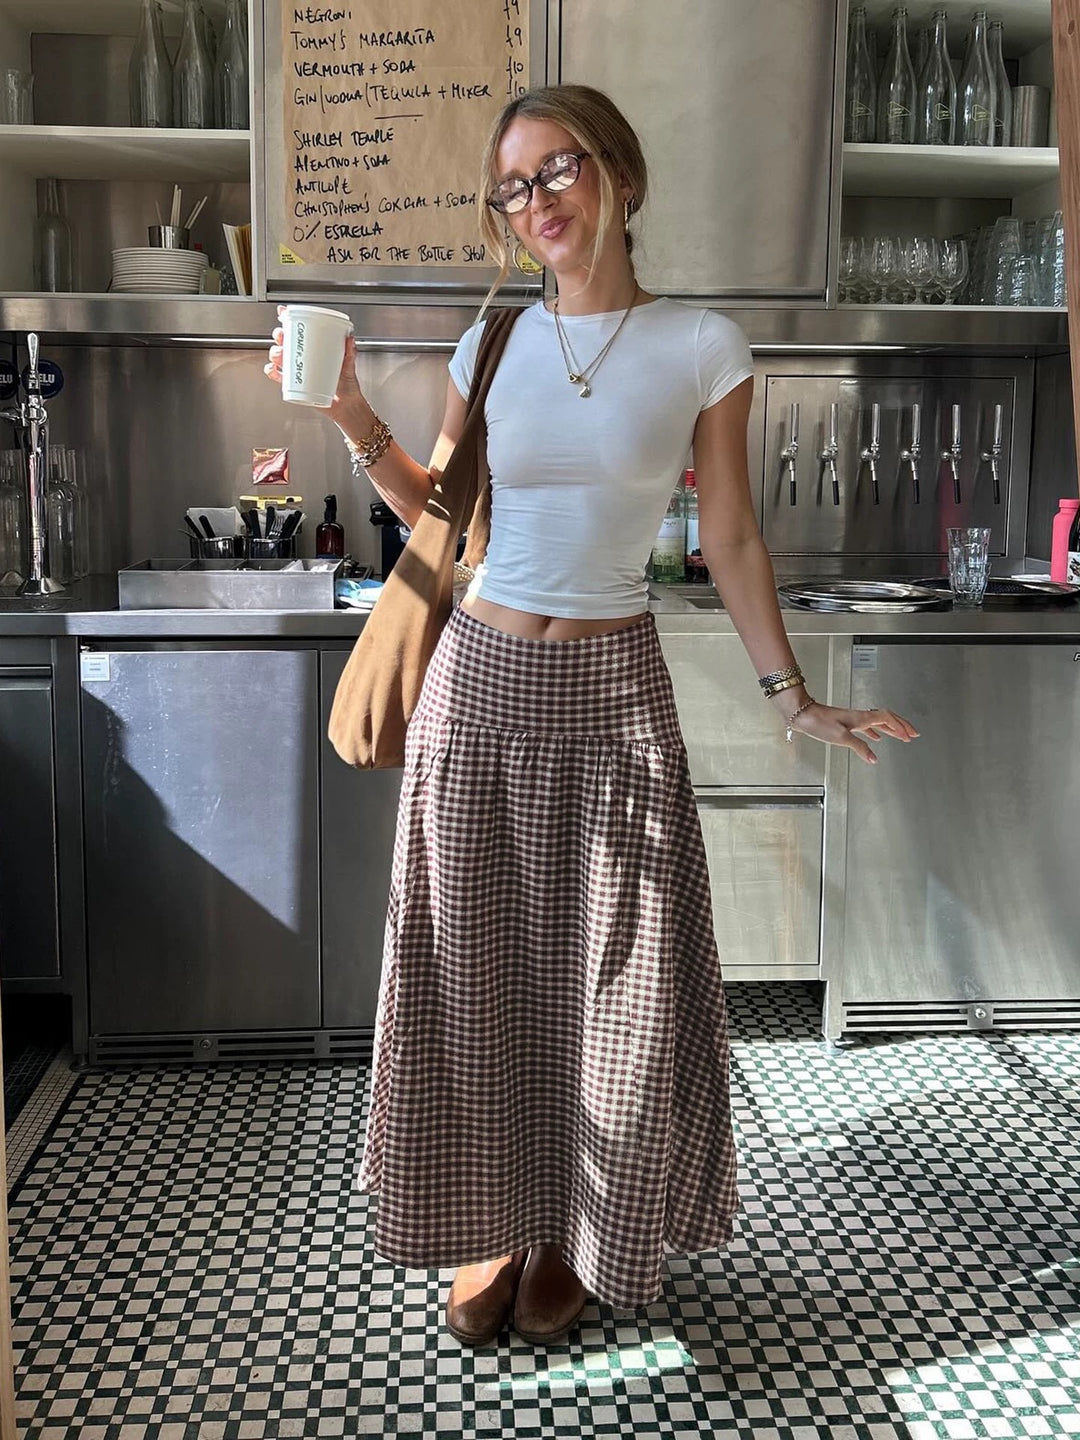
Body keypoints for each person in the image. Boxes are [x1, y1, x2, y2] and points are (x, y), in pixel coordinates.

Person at [265, 82, 919, 1348]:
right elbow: (444, 515)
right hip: (477, 691)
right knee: (474, 973)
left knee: (611, 984)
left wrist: (793, 698)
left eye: (556, 168)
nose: (538, 201)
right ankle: (491, 1221)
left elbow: (733, 534)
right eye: (513, 187)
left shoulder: (702, 345)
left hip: (616, 694)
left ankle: (576, 1227)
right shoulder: (491, 345)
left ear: (617, 170)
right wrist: (350, 413)